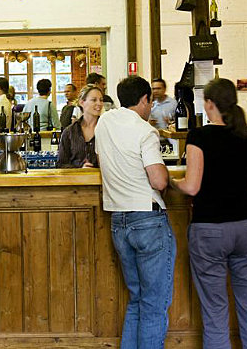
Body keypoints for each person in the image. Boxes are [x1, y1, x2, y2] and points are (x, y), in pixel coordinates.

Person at [170, 78, 247, 349]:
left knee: (215, 313)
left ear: (209, 103)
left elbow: (192, 186)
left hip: (210, 229)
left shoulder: (200, 136)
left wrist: (172, 183)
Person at [94, 76, 176, 349]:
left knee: (138, 299)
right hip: (148, 220)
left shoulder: (104, 122)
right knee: (154, 305)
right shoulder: (145, 131)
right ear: (144, 100)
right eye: (150, 102)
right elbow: (159, 181)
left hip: (119, 219)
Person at [57, 84, 102, 168]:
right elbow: (61, 164)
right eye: (94, 100)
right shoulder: (69, 132)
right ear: (82, 102)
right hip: (76, 180)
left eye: (101, 100)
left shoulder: (107, 130)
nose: (99, 103)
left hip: (103, 180)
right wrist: (80, 168)